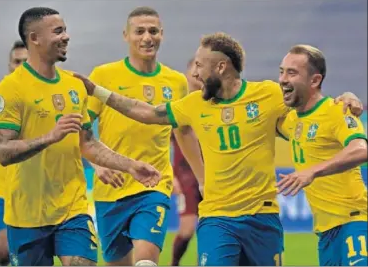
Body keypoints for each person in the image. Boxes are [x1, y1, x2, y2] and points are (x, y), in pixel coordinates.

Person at [74, 32, 363, 266]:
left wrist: (345, 100)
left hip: (263, 218)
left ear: (221, 67)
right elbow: (146, 112)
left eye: (200, 65)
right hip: (216, 216)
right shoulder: (194, 104)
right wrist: (97, 90)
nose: (195, 73)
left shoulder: (267, 95)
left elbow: (309, 108)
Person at [0, 7, 160, 266]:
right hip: (26, 216)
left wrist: (129, 165)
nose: (66, 37)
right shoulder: (10, 90)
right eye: (58, 31)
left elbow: (88, 143)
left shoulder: (74, 85)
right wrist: (50, 137)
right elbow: (3, 152)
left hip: (73, 209)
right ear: (35, 38)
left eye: (65, 30)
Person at [86, 7, 203, 266]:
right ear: (126, 35)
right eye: (139, 31)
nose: (147, 37)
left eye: (153, 31)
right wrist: (96, 165)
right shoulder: (103, 76)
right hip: (111, 190)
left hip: (153, 185)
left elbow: (183, 131)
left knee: (147, 260)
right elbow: (80, 130)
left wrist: (204, 179)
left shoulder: (175, 82)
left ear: (162, 34)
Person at [276, 45, 367, 266]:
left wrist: (312, 171)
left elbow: (361, 149)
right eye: (281, 71)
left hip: (355, 220)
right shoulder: (291, 120)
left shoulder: (337, 110)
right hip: (326, 231)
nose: (282, 79)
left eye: (292, 72)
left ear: (314, 81)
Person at [0, 40, 27, 266]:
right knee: (3, 250)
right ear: (9, 65)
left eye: (26, 62)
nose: (21, 66)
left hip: (33, 193)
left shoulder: (46, 100)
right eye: (17, 61)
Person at [171, 58, 203, 266]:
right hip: (185, 177)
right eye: (195, 70)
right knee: (188, 227)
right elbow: (162, 143)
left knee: (214, 227)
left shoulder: (213, 104)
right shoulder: (178, 106)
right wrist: (170, 175)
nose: (198, 75)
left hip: (212, 175)